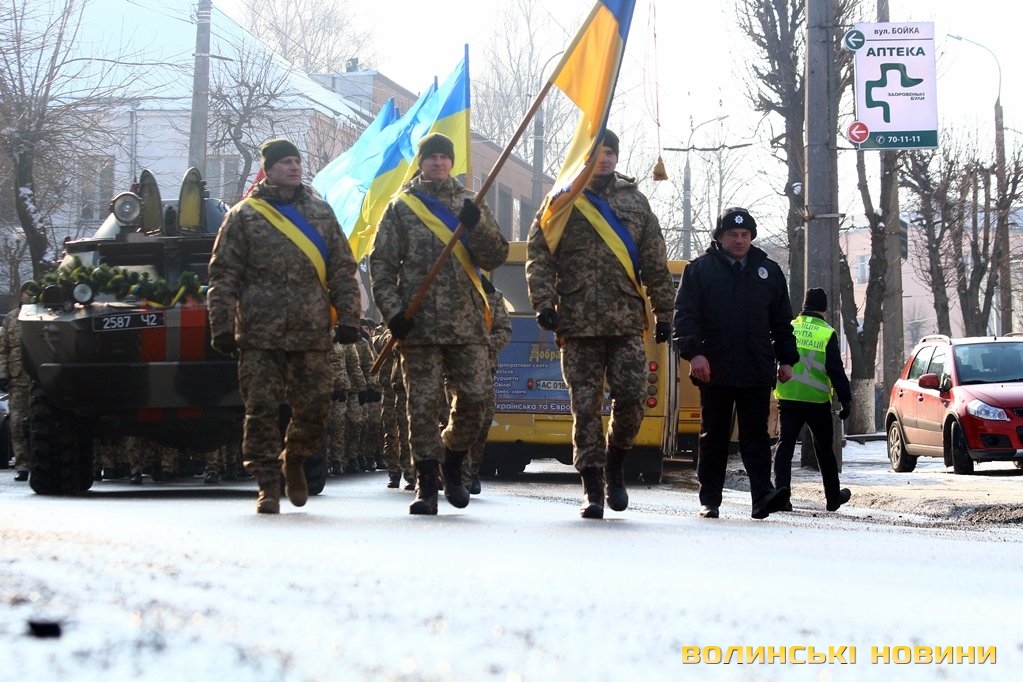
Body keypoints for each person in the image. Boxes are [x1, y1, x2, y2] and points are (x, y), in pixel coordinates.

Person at [525, 130, 676, 519]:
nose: (605, 159)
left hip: (626, 321)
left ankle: (615, 465)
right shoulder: (562, 199)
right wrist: (543, 303)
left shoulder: (635, 202)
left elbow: (655, 261)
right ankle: (592, 488)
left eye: (611, 152)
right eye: (598, 153)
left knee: (633, 398)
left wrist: (664, 312)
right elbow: (539, 254)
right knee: (585, 408)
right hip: (577, 323)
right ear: (584, 156)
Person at [208, 137, 362, 514]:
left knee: (315, 407)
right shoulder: (244, 215)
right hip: (259, 333)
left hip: (311, 331)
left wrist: (349, 318)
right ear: (269, 170)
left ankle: (293, 458)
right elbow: (223, 274)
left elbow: (342, 269)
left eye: (296, 161)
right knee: (260, 409)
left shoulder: (320, 213)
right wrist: (221, 326)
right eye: (285, 162)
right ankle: (267, 485)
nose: (294, 167)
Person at [370, 132, 509, 515]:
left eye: (444, 156)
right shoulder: (402, 207)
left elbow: (495, 256)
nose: (438, 162)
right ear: (421, 162)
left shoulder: (472, 203)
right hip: (419, 327)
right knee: (421, 407)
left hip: (467, 325)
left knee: (475, 400)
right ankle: (427, 485)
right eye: (431, 156)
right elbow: (381, 265)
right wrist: (393, 314)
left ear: (452, 161)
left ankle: (453, 456)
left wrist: (477, 226)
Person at [673, 206, 799, 520]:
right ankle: (710, 499)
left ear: (751, 237)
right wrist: (694, 353)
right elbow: (685, 317)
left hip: (755, 367)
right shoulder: (700, 270)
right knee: (714, 437)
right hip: (713, 368)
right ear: (720, 237)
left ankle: (762, 497)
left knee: (756, 436)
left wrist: (786, 359)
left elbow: (782, 321)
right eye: (733, 234)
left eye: (745, 234)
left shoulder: (768, 272)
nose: (740, 240)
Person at [772, 287, 853, 511]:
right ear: (824, 309)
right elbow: (835, 369)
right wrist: (845, 399)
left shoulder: (790, 327)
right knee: (825, 450)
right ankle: (833, 498)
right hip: (816, 401)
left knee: (785, 446)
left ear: (804, 306)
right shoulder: (826, 333)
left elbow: (773, 357)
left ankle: (782, 495)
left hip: (789, 396)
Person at [463, 280, 512, 495]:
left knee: (482, 421)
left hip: (484, 369)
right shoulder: (449, 288)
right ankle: (454, 471)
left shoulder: (492, 295)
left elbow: (504, 330)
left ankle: (472, 471)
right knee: (452, 420)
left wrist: (483, 344)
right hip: (453, 369)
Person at [1, 283, 33, 481]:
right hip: (17, 377)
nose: (29, 296)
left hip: (39, 380)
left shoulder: (44, 315)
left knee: (38, 423)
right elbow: (3, 349)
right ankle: (22, 465)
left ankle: (39, 461)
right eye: (26, 293)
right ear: (21, 295)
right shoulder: (11, 318)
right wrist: (3, 374)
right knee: (17, 423)